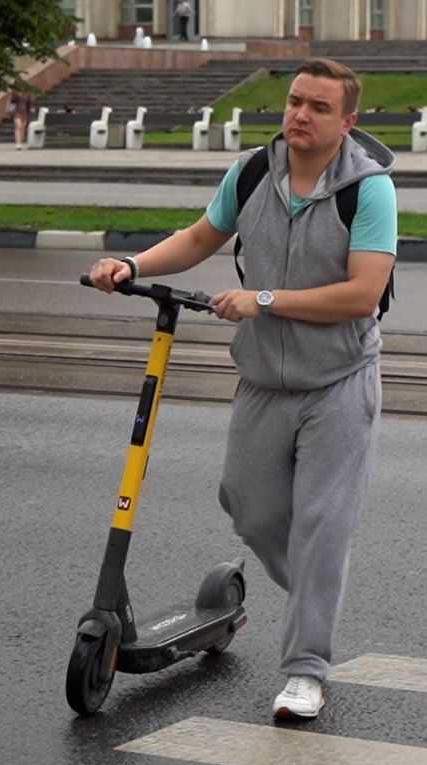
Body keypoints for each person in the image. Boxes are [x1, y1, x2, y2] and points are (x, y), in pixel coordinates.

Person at [87, 58, 397, 722]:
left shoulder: (367, 191)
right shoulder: (255, 172)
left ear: (347, 122)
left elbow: (363, 292)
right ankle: (318, 588)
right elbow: (202, 237)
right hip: (263, 380)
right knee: (248, 507)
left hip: (338, 380)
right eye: (293, 102)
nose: (299, 115)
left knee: (319, 522)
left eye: (318, 107)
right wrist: (132, 263)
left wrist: (263, 298)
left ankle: (305, 670)